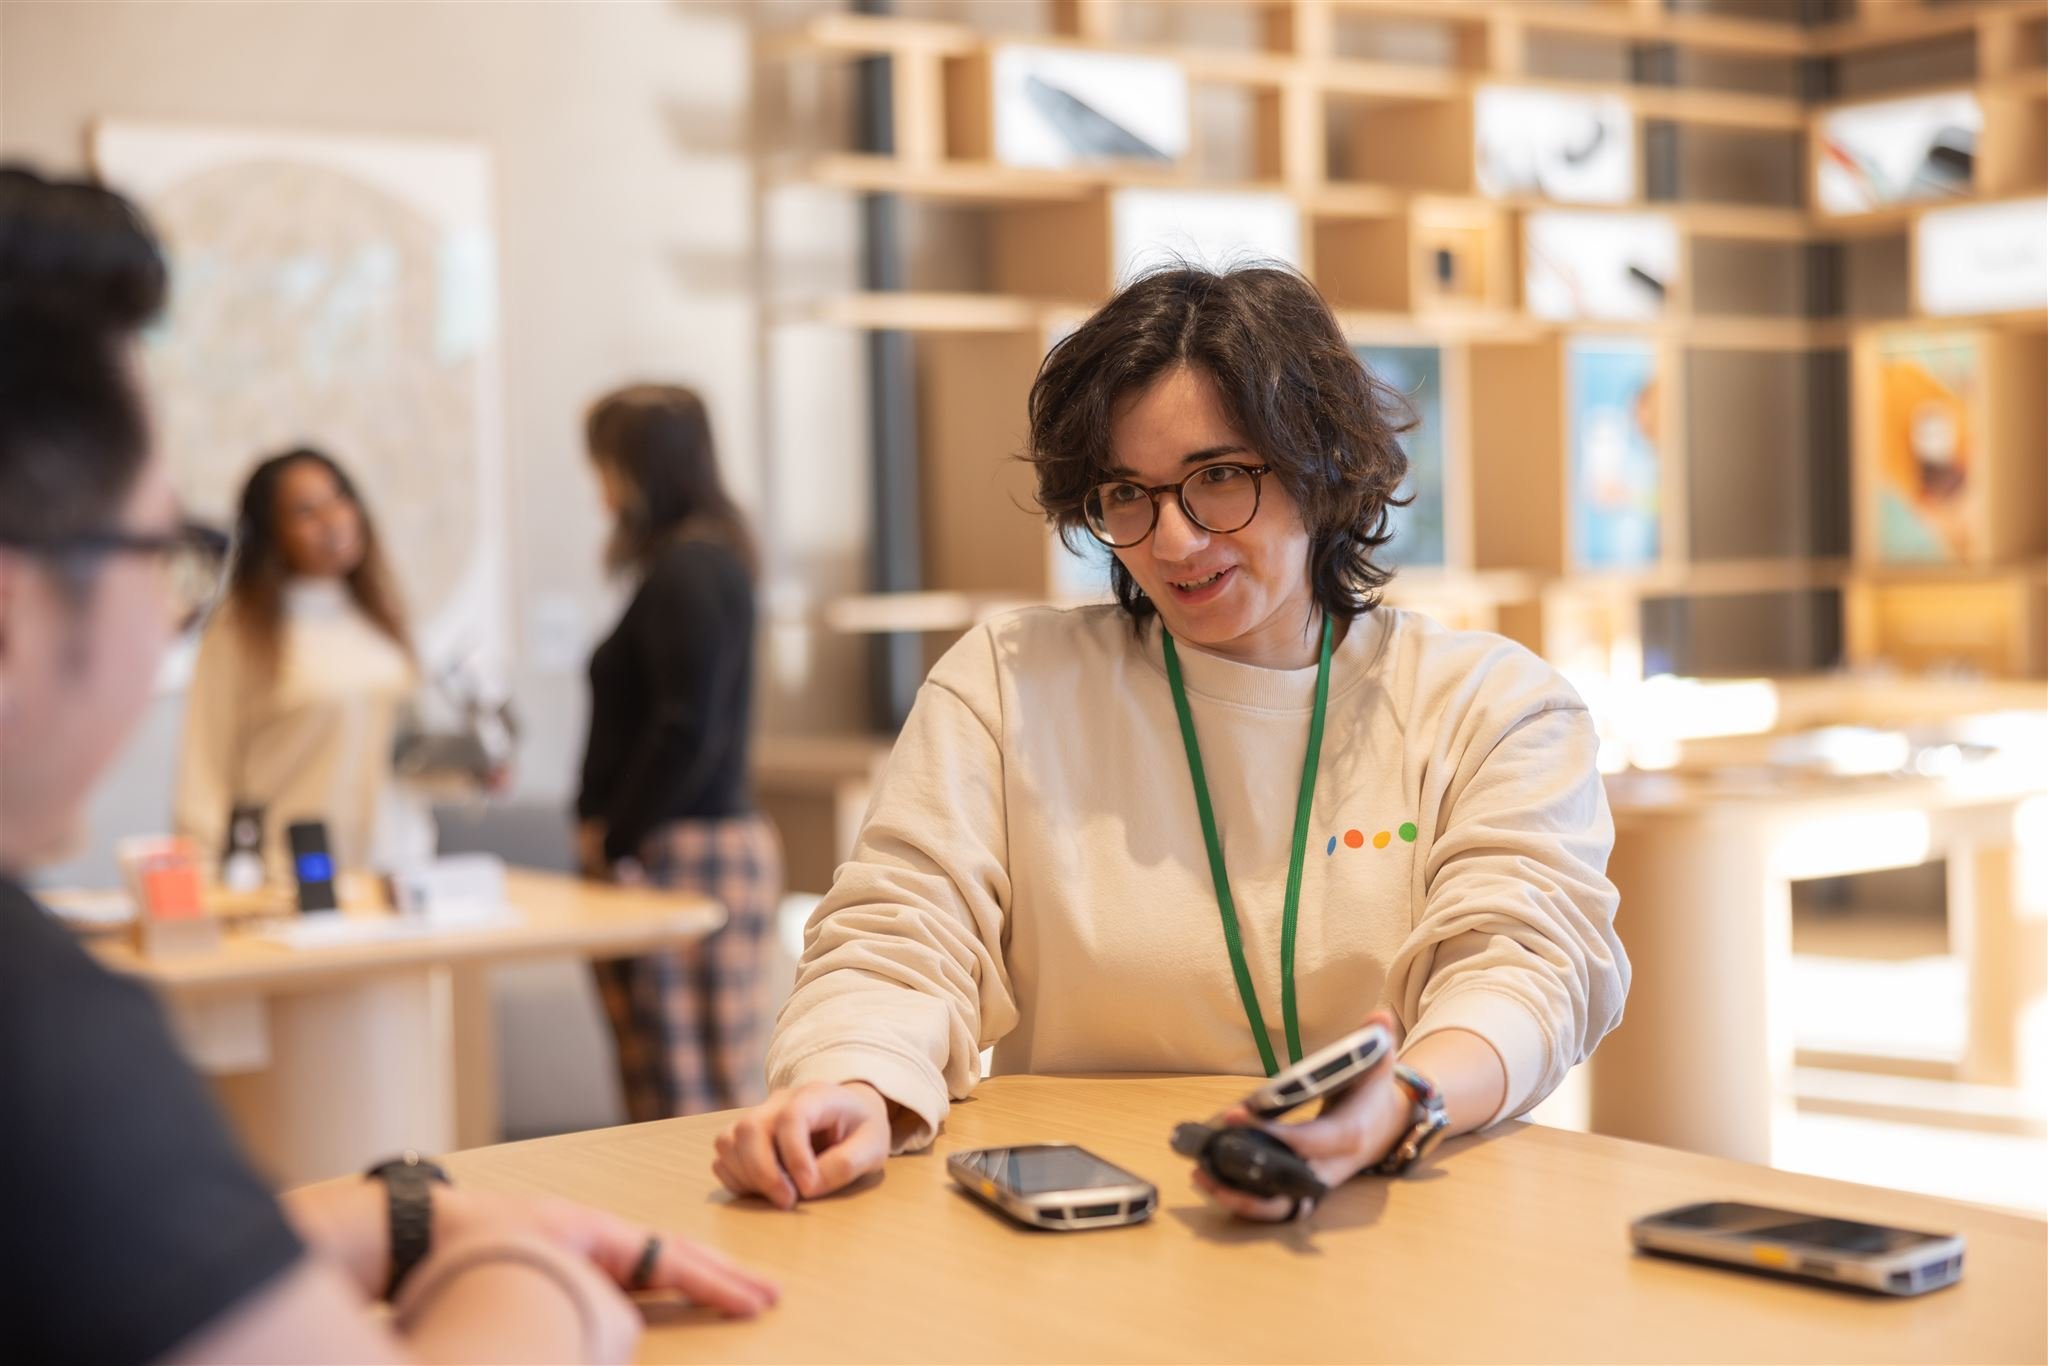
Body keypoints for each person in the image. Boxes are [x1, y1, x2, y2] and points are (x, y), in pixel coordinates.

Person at [0, 163, 775, 1362]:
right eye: (166, 550)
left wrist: (403, 1216)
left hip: (397, 875)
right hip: (287, 888)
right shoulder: (52, 1048)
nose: (166, 608)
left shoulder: (395, 625)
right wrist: (529, 1272)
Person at [714, 265, 1631, 1221]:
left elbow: (1528, 966)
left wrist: (1399, 1102)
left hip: (1404, 1218)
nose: (1174, 540)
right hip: (1088, 1232)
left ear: (1321, 464)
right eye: (1127, 493)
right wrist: (854, 1083)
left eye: (1219, 477)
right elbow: (900, 932)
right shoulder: (1012, 684)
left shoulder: (1492, 706)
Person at [576, 384, 781, 1120]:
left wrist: (618, 837)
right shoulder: (693, 562)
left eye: (604, 464)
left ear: (639, 468)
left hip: (683, 852)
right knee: (668, 1094)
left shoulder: (691, 567)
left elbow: (686, 727)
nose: (600, 485)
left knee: (691, 1103)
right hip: (677, 847)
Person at [174, 445, 432, 881]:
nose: (333, 520)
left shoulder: (379, 618)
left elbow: (402, 754)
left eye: (339, 498)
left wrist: (472, 768)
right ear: (272, 533)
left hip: (397, 872)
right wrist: (200, 878)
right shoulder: (240, 632)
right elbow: (204, 768)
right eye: (306, 511)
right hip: (290, 875)